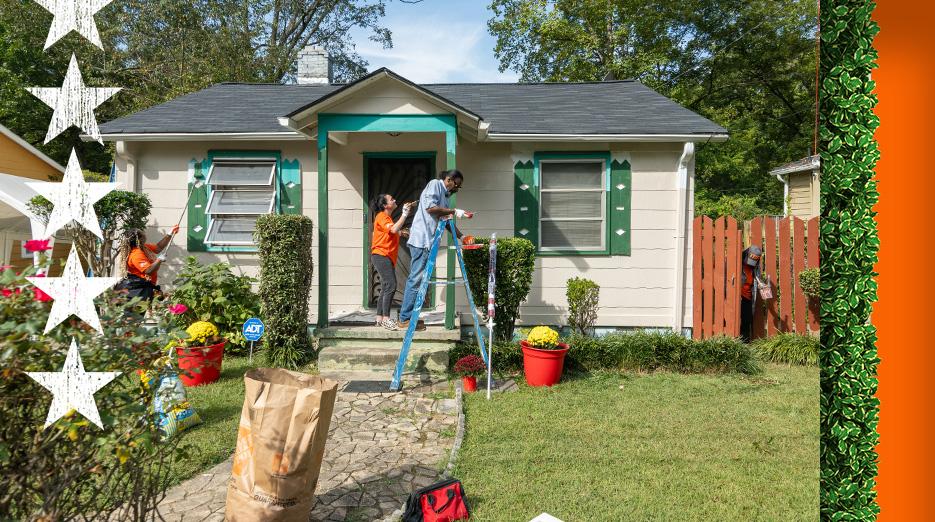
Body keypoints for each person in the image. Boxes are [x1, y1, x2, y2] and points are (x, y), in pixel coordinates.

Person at [398, 169, 474, 331]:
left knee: (419, 280)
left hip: (428, 243)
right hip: (421, 240)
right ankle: (405, 318)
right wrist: (455, 211)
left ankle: (409, 317)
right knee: (415, 279)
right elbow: (430, 208)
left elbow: (445, 220)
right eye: (456, 185)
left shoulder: (445, 198)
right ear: (448, 179)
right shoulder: (434, 184)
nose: (456, 189)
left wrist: (462, 237)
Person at [370, 194, 413, 331]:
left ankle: (379, 318)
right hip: (381, 255)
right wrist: (405, 214)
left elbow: (394, 231)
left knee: (385, 286)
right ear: (385, 205)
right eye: (391, 199)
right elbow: (393, 229)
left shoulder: (387, 218)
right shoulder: (381, 216)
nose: (394, 200)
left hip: (384, 256)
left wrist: (405, 232)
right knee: (391, 285)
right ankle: (386, 319)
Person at [116, 225, 179, 303]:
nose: (144, 236)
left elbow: (158, 247)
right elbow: (148, 271)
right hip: (138, 290)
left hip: (145, 287)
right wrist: (159, 259)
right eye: (142, 235)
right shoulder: (136, 254)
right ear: (139, 239)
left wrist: (170, 233)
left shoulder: (143, 247)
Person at [740, 245, 763, 343]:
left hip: (748, 296)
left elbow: (757, 278)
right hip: (738, 296)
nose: (751, 264)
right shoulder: (738, 262)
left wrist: (761, 284)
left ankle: (744, 343)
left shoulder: (755, 266)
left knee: (747, 320)